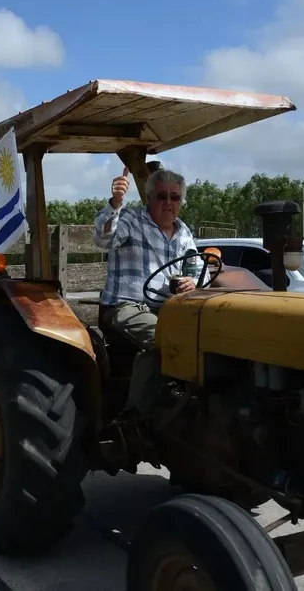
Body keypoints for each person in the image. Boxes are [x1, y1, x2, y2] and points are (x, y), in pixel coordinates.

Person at [93, 164, 209, 418]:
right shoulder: (131, 220)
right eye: (161, 196)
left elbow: (199, 271)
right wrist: (115, 202)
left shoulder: (184, 232)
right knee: (162, 340)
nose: (168, 202)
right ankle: (134, 419)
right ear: (149, 199)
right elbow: (104, 240)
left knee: (209, 339)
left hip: (167, 309)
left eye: (175, 197)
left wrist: (193, 282)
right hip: (124, 306)